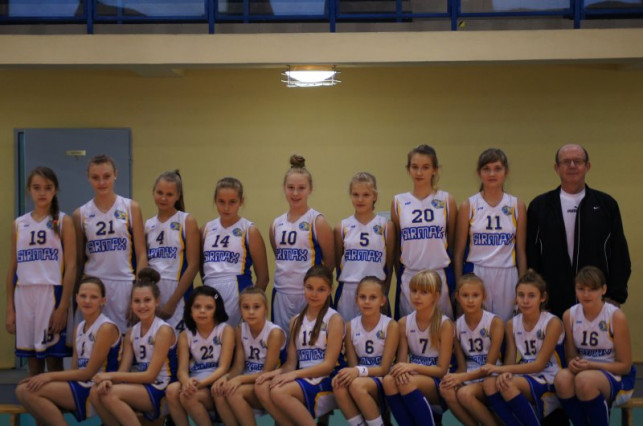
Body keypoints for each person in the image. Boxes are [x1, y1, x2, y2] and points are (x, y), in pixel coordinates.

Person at [526, 144, 630, 318]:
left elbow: (619, 254)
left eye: (578, 161)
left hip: (596, 299)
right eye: (566, 162)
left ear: (587, 166)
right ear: (556, 168)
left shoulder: (606, 205)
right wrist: (538, 298)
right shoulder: (540, 206)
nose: (572, 166)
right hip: (552, 302)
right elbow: (532, 255)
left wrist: (615, 296)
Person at [16, 276, 121, 425]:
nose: (87, 301)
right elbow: (75, 370)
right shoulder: (79, 327)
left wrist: (47, 376)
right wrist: (40, 379)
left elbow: (88, 373)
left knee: (27, 390)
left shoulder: (106, 328)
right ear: (76, 298)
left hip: (99, 389)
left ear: (102, 301)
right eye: (83, 296)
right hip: (82, 384)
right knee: (24, 389)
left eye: (93, 297)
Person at [5, 166, 76, 375]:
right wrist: (10, 308)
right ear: (29, 190)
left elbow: (72, 266)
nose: (42, 192)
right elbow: (13, 267)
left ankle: (57, 398)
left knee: (54, 361)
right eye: (37, 188)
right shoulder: (19, 224)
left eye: (48, 187)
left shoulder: (63, 221)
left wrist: (63, 306)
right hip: (24, 295)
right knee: (32, 360)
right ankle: (35, 397)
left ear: (55, 190)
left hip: (51, 293)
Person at [255, 265, 344, 426]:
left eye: (321, 289)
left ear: (330, 290)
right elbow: (291, 363)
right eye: (310, 288)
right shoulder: (295, 321)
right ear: (303, 287)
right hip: (304, 378)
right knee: (261, 386)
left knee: (279, 392)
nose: (314, 294)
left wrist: (294, 375)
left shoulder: (334, 319)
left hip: (327, 380)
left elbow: (328, 366)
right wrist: (273, 373)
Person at [89, 268, 177, 425]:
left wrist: (110, 376)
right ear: (131, 304)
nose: (142, 305)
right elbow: (124, 369)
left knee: (110, 395)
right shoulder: (131, 332)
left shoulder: (163, 330)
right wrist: (109, 381)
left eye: (147, 300)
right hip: (144, 386)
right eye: (137, 301)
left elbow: (150, 375)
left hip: (162, 387)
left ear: (157, 301)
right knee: (96, 392)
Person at [74, 154, 147, 333]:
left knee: (125, 342)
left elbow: (141, 254)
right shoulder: (80, 214)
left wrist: (138, 294)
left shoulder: (131, 208)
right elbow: (78, 261)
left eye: (106, 176)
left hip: (124, 284)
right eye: (95, 177)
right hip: (93, 285)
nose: (101, 182)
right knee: (92, 340)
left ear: (115, 175)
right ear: (88, 178)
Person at [554, 266, 636, 426]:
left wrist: (591, 365)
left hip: (616, 376)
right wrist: (573, 363)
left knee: (585, 380)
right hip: (584, 372)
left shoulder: (615, 316)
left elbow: (625, 367)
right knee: (562, 379)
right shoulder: (569, 315)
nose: (586, 294)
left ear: (603, 289)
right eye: (581, 289)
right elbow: (571, 357)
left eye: (592, 289)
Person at [482, 270, 564, 426]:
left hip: (548, 377)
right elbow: (510, 359)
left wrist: (499, 369)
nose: (525, 301)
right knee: (489, 384)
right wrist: (505, 372)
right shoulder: (512, 324)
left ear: (543, 297)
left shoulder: (552, 323)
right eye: (521, 295)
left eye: (531, 296)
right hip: (525, 376)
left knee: (507, 384)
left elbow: (539, 365)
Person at [453, 148, 526, 321]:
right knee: (476, 325)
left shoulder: (517, 205)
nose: (492, 174)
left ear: (506, 172)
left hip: (507, 273)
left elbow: (521, 251)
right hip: (476, 272)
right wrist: (459, 286)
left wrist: (523, 287)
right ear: (479, 173)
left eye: (497, 168)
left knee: (508, 325)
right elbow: (458, 252)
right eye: (486, 169)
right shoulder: (468, 205)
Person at [391, 145, 456, 320]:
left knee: (443, 329)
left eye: (425, 167)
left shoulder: (446, 200)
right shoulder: (398, 201)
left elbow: (452, 242)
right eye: (415, 167)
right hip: (410, 275)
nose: (419, 172)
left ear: (434, 170)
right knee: (409, 330)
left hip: (439, 275)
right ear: (408, 169)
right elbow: (397, 246)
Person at [270, 155, 335, 331]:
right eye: (290, 187)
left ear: (310, 189)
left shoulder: (317, 221)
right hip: (281, 293)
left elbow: (330, 262)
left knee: (311, 343)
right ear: (284, 188)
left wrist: (315, 288)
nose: (295, 193)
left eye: (301, 188)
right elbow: (279, 256)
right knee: (282, 342)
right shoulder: (276, 224)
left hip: (309, 295)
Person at [382, 269, 454, 426]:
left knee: (406, 382)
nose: (417, 296)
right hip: (413, 376)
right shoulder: (404, 323)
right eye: (414, 291)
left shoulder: (445, 324)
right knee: (388, 381)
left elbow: (442, 370)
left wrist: (412, 367)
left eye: (424, 292)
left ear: (436, 296)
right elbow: (401, 362)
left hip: (438, 383)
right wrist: (402, 369)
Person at [213, 286, 286, 426]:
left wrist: (239, 379)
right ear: (240, 310)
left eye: (256, 307)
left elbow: (267, 371)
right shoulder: (240, 329)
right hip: (248, 380)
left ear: (265, 309)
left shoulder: (274, 333)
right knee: (218, 391)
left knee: (233, 392)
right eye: (246, 307)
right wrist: (226, 377)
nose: (251, 312)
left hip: (268, 383)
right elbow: (238, 366)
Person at [202, 177, 269, 326]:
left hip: (237, 290)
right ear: (215, 201)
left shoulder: (249, 230)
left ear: (241, 201)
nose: (226, 207)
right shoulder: (206, 229)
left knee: (235, 337)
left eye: (232, 202)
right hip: (209, 289)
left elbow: (263, 277)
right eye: (221, 202)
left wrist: (251, 305)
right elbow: (202, 268)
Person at [332, 276, 399, 426]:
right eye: (362, 297)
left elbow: (384, 369)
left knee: (357, 385)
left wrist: (357, 371)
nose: (367, 301)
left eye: (373, 297)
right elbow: (353, 365)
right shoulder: (350, 326)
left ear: (383, 301)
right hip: (362, 377)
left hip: (384, 379)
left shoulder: (391, 325)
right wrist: (351, 373)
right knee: (338, 384)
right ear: (356, 300)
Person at [439, 273, 504, 426]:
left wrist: (462, 378)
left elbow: (489, 366)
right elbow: (462, 366)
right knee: (445, 388)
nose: (470, 300)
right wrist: (452, 377)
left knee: (465, 394)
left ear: (483, 297)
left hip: (491, 376)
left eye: (475, 295)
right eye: (465, 295)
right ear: (457, 297)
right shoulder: (456, 326)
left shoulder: (495, 322)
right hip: (469, 375)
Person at [166, 285, 234, 426]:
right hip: (195, 380)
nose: (202, 311)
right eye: (197, 307)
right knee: (172, 390)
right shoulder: (185, 335)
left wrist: (200, 384)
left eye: (209, 307)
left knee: (188, 397)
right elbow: (182, 370)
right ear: (190, 310)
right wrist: (186, 382)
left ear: (216, 310)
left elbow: (224, 367)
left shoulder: (225, 330)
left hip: (216, 382)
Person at [334, 172, 394, 321]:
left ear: (375, 196)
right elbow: (337, 261)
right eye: (356, 194)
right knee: (346, 333)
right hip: (348, 291)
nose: (360, 199)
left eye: (366, 195)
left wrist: (383, 292)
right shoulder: (342, 227)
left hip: (375, 291)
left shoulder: (386, 226)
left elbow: (390, 264)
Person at [145, 170, 200, 332]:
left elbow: (193, 265)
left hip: (178, 292)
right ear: (153, 192)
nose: (163, 198)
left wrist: (172, 302)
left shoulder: (187, 221)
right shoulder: (148, 224)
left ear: (178, 196)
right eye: (160, 192)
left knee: (178, 343)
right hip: (153, 290)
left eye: (169, 194)